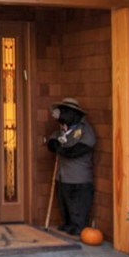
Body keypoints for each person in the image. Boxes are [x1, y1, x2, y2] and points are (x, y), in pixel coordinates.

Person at [46, 97, 96, 235]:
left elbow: (81, 148)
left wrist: (63, 150)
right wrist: (55, 144)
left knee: (78, 205)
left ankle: (78, 226)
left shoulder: (84, 131)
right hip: (63, 176)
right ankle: (67, 223)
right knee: (65, 203)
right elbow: (52, 140)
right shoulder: (63, 130)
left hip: (79, 178)